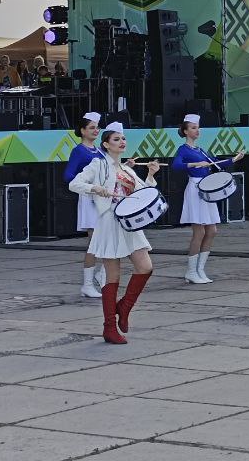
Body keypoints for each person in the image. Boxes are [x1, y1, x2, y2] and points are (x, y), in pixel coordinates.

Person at [68, 122, 160, 344]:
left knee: (145, 267)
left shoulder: (127, 170)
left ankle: (124, 307)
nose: (122, 142)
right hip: (109, 222)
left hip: (129, 223)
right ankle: (109, 327)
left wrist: (150, 174)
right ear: (106, 144)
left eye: (123, 139)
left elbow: (145, 194)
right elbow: (74, 183)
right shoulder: (98, 164)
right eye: (116, 139)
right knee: (112, 276)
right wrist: (95, 188)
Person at [172, 114, 245, 284]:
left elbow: (217, 164)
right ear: (185, 131)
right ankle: (191, 271)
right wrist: (195, 164)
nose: (197, 131)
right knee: (200, 232)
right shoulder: (183, 149)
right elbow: (176, 165)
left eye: (198, 128)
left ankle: (200, 269)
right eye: (193, 128)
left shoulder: (201, 150)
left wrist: (234, 159)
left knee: (212, 231)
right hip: (195, 189)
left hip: (207, 189)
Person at [65, 112, 108, 299]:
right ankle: (87, 284)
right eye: (91, 128)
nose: (96, 130)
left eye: (97, 127)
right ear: (82, 131)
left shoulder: (99, 150)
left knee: (107, 239)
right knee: (94, 242)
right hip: (90, 198)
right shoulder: (79, 151)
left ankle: (102, 275)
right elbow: (68, 175)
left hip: (103, 198)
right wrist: (88, 184)